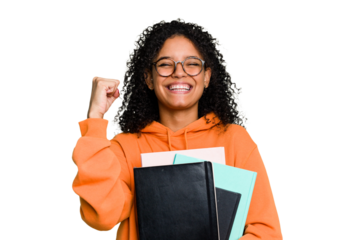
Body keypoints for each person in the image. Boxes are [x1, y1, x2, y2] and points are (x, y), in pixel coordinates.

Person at [71, 16, 283, 240]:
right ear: (149, 79)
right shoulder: (123, 148)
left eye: (192, 63)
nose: (179, 72)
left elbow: (266, 233)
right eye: (165, 64)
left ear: (207, 76)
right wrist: (94, 120)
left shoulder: (236, 141)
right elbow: (101, 219)